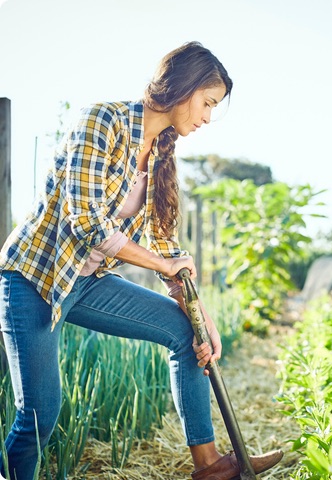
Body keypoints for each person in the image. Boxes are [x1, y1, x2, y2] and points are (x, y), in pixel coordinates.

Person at [0, 41, 283, 480]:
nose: (208, 117)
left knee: (184, 331)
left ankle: (209, 465)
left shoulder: (161, 152)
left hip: (88, 281)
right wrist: (162, 265)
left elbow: (167, 246)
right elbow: (85, 223)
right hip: (36, 278)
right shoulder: (103, 120)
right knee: (39, 413)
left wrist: (201, 316)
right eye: (207, 103)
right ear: (183, 87)